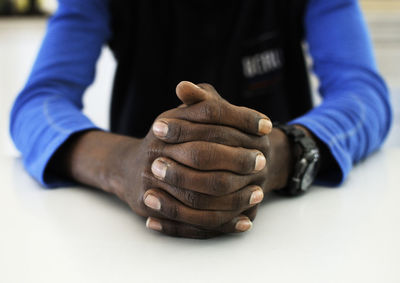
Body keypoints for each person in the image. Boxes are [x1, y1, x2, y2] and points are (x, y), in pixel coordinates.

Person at [10, 0, 392, 239]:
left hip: (287, 233)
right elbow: (39, 102)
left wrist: (279, 154)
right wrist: (121, 165)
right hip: (136, 246)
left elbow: (364, 95)